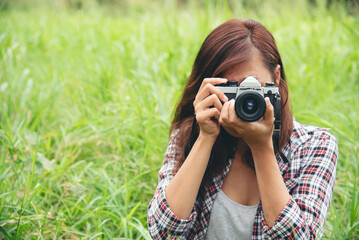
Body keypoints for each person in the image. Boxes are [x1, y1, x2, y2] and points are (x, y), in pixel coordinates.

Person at [147, 19, 338, 240]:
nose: (244, 100)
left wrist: (262, 148)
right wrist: (205, 138)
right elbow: (163, 233)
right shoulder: (188, 134)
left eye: (252, 87)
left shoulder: (316, 146)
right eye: (231, 88)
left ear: (276, 78)